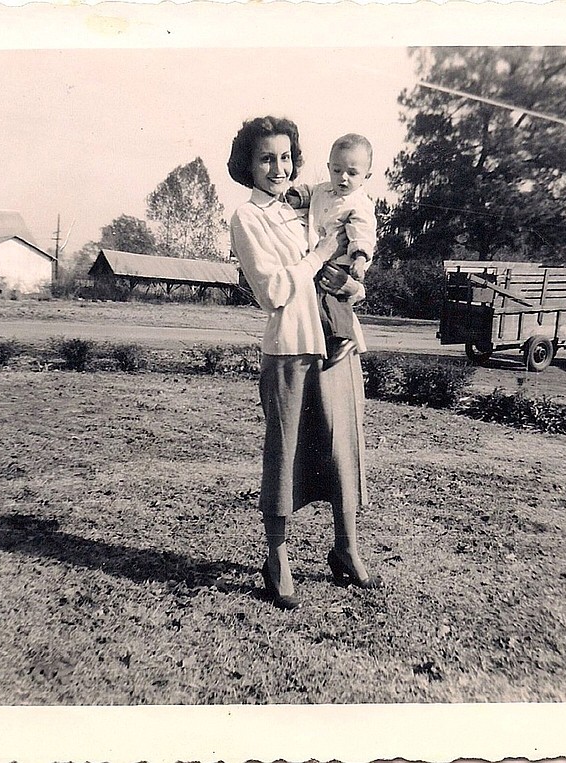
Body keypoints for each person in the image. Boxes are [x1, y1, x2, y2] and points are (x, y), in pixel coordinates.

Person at [227, 116, 381, 610]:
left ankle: (347, 548)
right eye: (267, 158)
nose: (279, 167)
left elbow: (349, 256)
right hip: (290, 346)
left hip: (336, 343)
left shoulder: (308, 204)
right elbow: (272, 291)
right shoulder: (246, 218)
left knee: (343, 449)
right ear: (248, 165)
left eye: (287, 157)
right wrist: (317, 256)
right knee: (286, 452)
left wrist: (355, 284)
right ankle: (277, 559)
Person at [286, 134, 377, 369]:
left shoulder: (359, 203)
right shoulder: (323, 190)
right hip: (319, 255)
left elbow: (362, 231)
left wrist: (359, 257)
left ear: (366, 176)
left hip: (342, 260)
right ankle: (328, 339)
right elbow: (309, 191)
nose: (343, 178)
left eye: (352, 173)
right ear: (328, 167)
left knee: (333, 298)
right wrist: (297, 198)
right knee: (316, 301)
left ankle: (344, 337)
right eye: (337, 170)